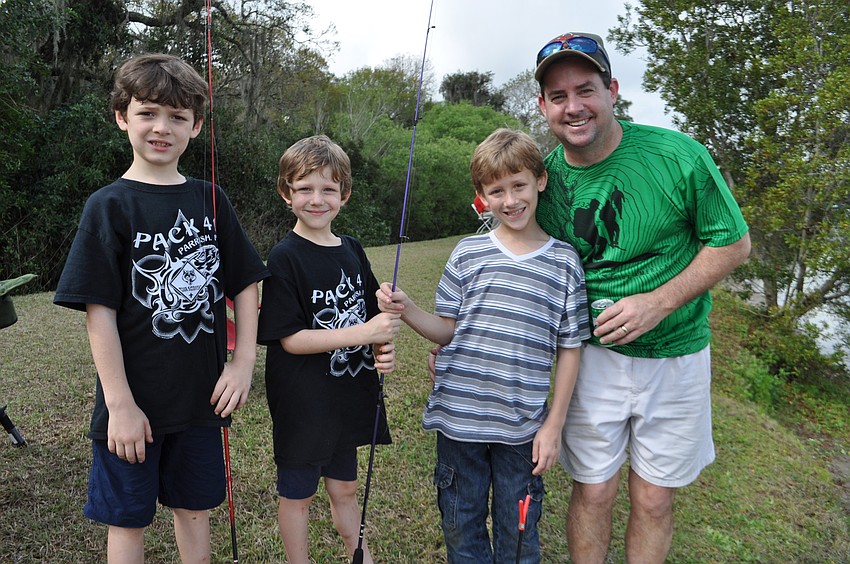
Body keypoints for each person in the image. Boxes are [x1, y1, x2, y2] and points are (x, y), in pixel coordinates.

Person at [533, 32, 752, 562]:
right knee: (593, 490)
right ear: (543, 106)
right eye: (558, 97)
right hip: (588, 360)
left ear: (612, 89)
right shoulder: (541, 182)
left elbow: (734, 243)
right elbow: (518, 265)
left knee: (653, 499)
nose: (574, 107)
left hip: (676, 354)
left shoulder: (679, 156)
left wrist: (659, 301)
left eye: (585, 90)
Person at [53, 53, 269, 563]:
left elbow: (245, 285)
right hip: (132, 407)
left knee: (194, 512)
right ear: (122, 117)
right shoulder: (108, 205)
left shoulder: (210, 199)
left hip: (202, 403)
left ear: (196, 126)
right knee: (127, 521)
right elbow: (98, 311)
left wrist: (242, 364)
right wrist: (120, 405)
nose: (161, 127)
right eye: (148, 112)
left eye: (177, 117)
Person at [378, 128, 591, 563]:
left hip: (522, 432)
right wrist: (408, 308)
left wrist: (553, 426)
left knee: (519, 538)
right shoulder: (467, 253)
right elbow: (446, 331)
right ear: (482, 196)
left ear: (540, 182)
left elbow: (571, 348)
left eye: (519, 186)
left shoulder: (564, 261)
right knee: (462, 530)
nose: (510, 200)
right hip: (460, 424)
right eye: (497, 191)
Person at [257, 135, 401, 564]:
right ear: (287, 194)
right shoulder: (284, 257)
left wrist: (381, 344)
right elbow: (291, 339)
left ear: (345, 195)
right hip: (303, 402)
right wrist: (362, 333)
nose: (316, 199)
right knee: (298, 495)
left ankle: (361, 556)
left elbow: (373, 314)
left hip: (348, 396)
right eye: (304, 188)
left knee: (346, 489)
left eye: (328, 189)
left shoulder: (353, 249)